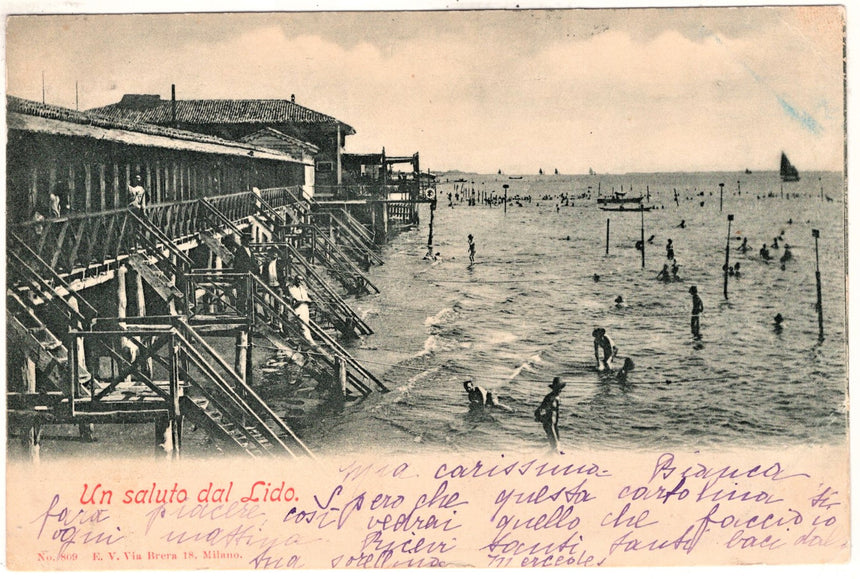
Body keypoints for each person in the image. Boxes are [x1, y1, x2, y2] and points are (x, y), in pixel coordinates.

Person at [534, 377, 565, 452]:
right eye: (558, 388)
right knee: (555, 448)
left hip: (554, 425)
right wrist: (541, 419)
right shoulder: (549, 398)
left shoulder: (557, 397)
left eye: (561, 388)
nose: (560, 390)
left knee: (558, 447)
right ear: (554, 388)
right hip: (549, 425)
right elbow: (538, 410)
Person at [288, 274, 314, 343]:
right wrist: (304, 300)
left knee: (306, 324)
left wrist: (306, 301)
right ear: (295, 280)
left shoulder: (302, 289)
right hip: (298, 308)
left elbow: (307, 299)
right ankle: (308, 341)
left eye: (301, 280)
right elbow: (296, 300)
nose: (299, 281)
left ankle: (308, 340)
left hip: (305, 307)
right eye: (298, 279)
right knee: (302, 325)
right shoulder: (292, 289)